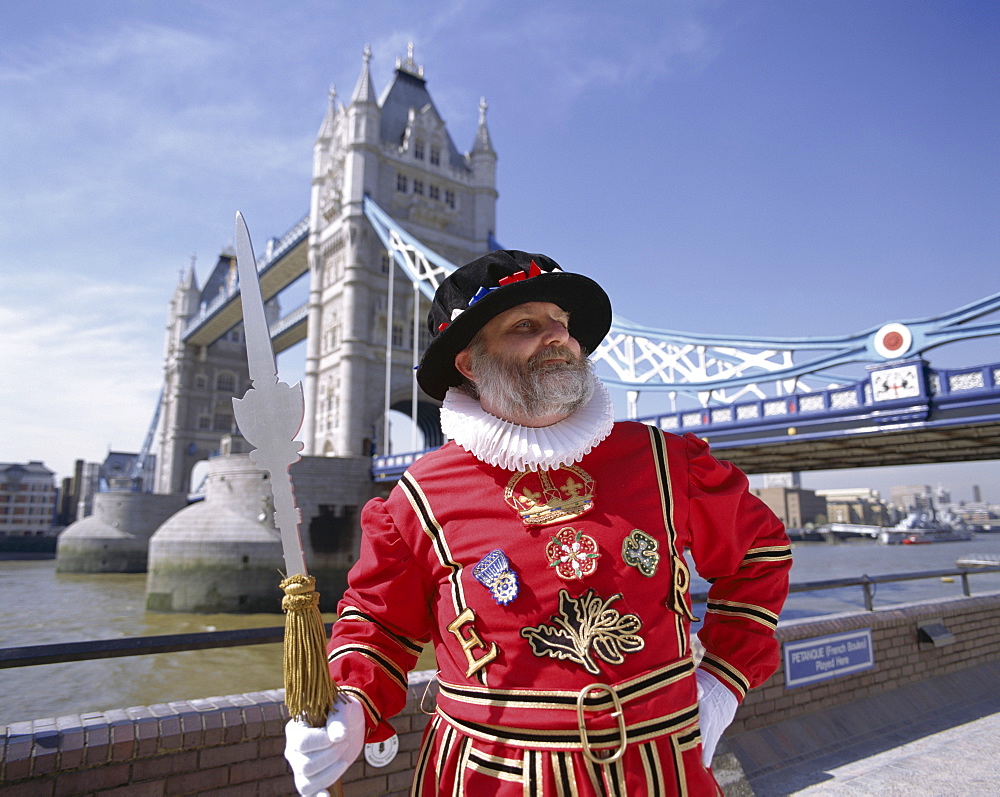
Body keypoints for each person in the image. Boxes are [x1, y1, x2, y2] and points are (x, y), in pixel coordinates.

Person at [284, 250, 791, 795]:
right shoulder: (418, 497)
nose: (558, 337)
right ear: (469, 362)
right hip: (491, 778)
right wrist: (353, 703)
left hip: (663, 768)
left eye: (563, 324)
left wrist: (720, 681)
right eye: (526, 325)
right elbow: (379, 625)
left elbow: (758, 556)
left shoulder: (670, 462)